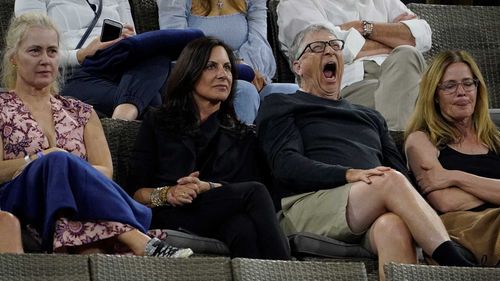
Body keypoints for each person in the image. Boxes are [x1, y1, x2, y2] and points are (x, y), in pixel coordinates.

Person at [256, 24, 474, 281]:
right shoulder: (282, 104)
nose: (329, 51)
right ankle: (457, 268)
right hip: (306, 205)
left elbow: (402, 173)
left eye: (335, 45)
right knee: (388, 179)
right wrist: (349, 174)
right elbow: (287, 166)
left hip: (368, 204)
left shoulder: (370, 116)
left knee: (393, 226)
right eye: (317, 47)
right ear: (297, 66)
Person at [0, 12, 192, 258]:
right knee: (57, 160)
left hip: (73, 206)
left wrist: (66, 169)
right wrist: (43, 158)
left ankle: (84, 247)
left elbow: (104, 171)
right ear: (14, 57)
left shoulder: (81, 111)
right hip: (17, 200)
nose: (45, 60)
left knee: (90, 245)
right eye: (35, 51)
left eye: (52, 51)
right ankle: (138, 239)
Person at [127, 36, 290, 260]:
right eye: (211, 66)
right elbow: (134, 193)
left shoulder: (242, 135)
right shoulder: (158, 122)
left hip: (216, 213)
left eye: (227, 68)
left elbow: (257, 193)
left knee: (243, 228)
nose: (223, 75)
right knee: (255, 192)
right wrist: (168, 193)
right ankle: (288, 270)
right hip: (170, 213)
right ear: (190, 72)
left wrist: (209, 187)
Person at [15, 0, 202, 121]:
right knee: (153, 101)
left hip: (118, 62)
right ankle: (125, 113)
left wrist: (126, 37)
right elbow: (33, 52)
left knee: (158, 54)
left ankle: (123, 115)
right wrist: (81, 54)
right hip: (74, 73)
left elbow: (135, 39)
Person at [405, 50, 500, 266]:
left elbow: (454, 192)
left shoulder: (496, 140)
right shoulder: (422, 140)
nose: (462, 92)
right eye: (450, 86)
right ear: (434, 95)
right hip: (463, 228)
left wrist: (456, 177)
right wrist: (494, 190)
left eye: (468, 83)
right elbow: (445, 201)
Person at [276, 0, 431, 130]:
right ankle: (400, 151)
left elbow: (423, 35)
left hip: (403, 71)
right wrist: (394, 38)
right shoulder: (296, 3)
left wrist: (363, 27)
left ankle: (396, 151)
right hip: (349, 84)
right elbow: (327, 50)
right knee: (418, 97)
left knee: (407, 55)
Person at [157, 0, 299, 121]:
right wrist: (236, 67)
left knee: (296, 92)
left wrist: (246, 70)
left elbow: (259, 42)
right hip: (199, 81)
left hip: (248, 75)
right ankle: (235, 150)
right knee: (244, 91)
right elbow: (181, 49)